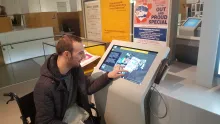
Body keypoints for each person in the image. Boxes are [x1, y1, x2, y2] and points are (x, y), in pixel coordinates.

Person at [34, 35, 126, 124]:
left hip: (75, 112)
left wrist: (109, 75)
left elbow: (87, 87)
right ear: (67, 54)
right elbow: (45, 121)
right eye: (80, 53)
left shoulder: (75, 69)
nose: (84, 57)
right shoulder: (44, 86)